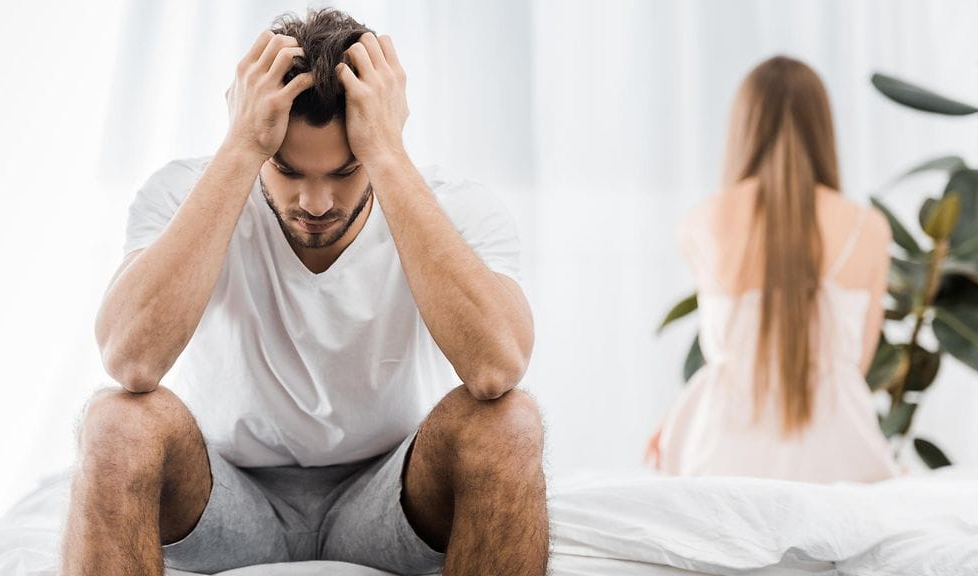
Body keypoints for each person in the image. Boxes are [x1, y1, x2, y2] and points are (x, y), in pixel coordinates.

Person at [60, 9, 547, 576]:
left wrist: (387, 156)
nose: (316, 204)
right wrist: (241, 147)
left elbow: (497, 368)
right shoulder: (183, 192)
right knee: (116, 423)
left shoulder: (456, 206)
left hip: (389, 495)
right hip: (226, 494)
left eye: (345, 172)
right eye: (288, 171)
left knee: (510, 423)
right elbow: (130, 360)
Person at [646, 56, 900, 483]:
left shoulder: (700, 222)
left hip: (721, 456)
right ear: (822, 128)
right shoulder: (869, 228)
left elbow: (726, 358)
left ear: (743, 128)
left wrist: (677, 423)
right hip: (841, 458)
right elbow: (858, 362)